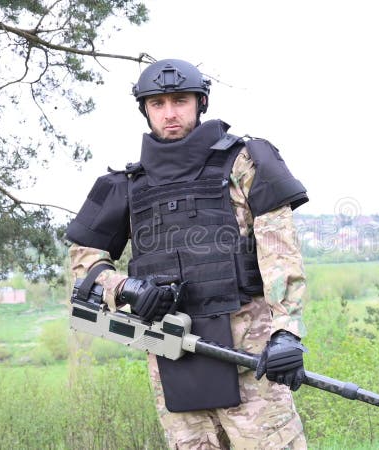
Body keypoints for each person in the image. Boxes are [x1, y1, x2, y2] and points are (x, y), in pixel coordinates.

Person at [65, 58, 310, 449]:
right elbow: (84, 261)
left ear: (201, 103)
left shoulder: (245, 162)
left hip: (249, 355)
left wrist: (286, 334)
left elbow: (279, 253)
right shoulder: (127, 185)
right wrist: (126, 287)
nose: (170, 113)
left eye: (179, 100)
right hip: (171, 354)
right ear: (145, 110)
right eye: (157, 104)